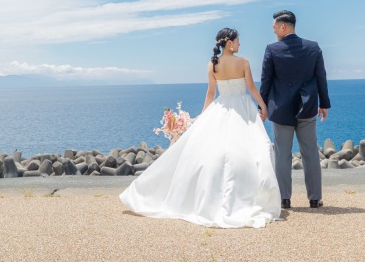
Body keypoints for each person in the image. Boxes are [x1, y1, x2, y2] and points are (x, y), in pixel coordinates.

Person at [119, 28, 281, 228]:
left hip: (221, 108)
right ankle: (247, 194)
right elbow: (252, 88)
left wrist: (204, 117)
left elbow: (210, 94)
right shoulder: (243, 62)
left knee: (215, 152)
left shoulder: (212, 65)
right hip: (243, 109)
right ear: (229, 43)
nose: (240, 44)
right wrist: (263, 106)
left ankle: (211, 196)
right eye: (238, 40)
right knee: (250, 150)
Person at [260, 10, 331, 209]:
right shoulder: (313, 47)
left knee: (282, 154)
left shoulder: (272, 49)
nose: (273, 30)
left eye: (274, 27)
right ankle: (315, 199)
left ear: (283, 27)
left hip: (280, 108)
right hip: (307, 107)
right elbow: (321, 77)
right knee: (310, 153)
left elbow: (266, 81)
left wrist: (262, 106)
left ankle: (284, 199)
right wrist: (324, 103)